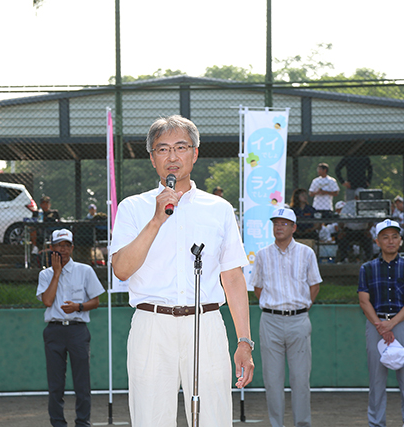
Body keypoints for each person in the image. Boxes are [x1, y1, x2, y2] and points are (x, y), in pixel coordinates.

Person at [109, 115, 254, 427]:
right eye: (162, 149)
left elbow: (233, 277)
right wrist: (157, 219)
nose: (172, 157)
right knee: (150, 419)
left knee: (212, 417)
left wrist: (245, 341)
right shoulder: (133, 208)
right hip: (151, 325)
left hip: (206, 323)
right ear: (151, 158)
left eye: (180, 147)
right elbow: (121, 269)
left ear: (195, 153)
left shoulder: (219, 209)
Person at [251, 208, 321, 427]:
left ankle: (303, 424)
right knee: (272, 381)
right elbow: (258, 287)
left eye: (284, 223)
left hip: (299, 320)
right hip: (270, 321)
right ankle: (276, 424)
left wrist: (300, 307)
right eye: (276, 223)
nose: (279, 227)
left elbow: (315, 285)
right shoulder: (262, 254)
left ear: (294, 227)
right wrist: (275, 307)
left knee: (300, 380)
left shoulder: (306, 253)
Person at [36, 229, 105, 427]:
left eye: (67, 245)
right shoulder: (45, 274)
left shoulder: (85, 271)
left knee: (82, 383)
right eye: (59, 245)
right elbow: (48, 301)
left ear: (72, 248)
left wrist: (79, 307)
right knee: (55, 383)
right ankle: (58, 423)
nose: (63, 249)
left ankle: (83, 422)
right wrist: (56, 274)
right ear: (51, 248)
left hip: (77, 330)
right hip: (54, 331)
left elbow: (96, 301)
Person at [358, 219, 404, 427]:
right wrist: (380, 324)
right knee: (376, 380)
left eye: (395, 236)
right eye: (385, 237)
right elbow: (363, 300)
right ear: (377, 241)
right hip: (375, 324)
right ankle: (376, 423)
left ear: (401, 240)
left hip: (401, 323)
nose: (390, 241)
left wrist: (391, 323)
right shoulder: (367, 268)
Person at [336, 197, 374, 263]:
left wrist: (368, 230)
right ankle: (343, 259)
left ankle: (369, 259)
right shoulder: (348, 205)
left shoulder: (366, 206)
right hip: (349, 230)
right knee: (341, 239)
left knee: (368, 239)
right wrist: (342, 231)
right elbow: (341, 220)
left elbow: (371, 221)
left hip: (362, 231)